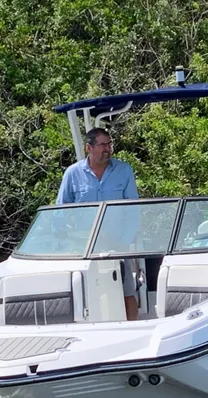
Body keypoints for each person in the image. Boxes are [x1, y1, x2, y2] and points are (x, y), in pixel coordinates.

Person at [56, 127, 140, 320]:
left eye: (109, 144)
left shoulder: (124, 170)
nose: (107, 149)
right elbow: (61, 209)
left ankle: (132, 330)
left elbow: (133, 209)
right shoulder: (72, 173)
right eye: (102, 145)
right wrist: (60, 242)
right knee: (86, 293)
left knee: (127, 291)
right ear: (89, 148)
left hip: (117, 245)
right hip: (84, 247)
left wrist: (124, 242)